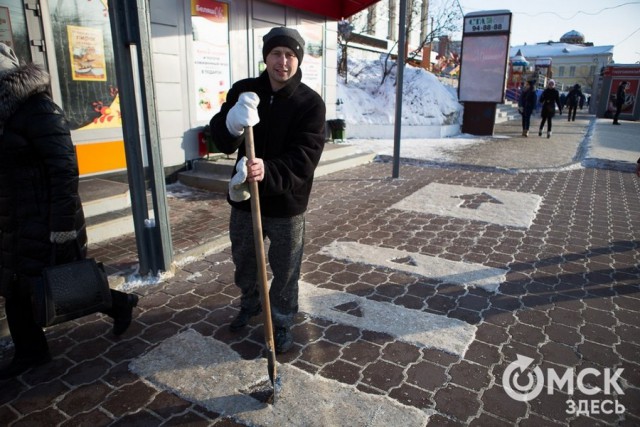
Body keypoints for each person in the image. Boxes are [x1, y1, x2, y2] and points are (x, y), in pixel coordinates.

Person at [0, 43, 139, 379]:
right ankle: (32, 352)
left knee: (58, 282)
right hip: (13, 218)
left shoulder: (39, 109)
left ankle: (117, 304)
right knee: (17, 287)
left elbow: (64, 169)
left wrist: (61, 228)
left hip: (44, 218)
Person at [210, 27, 326, 353]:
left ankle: (282, 321)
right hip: (246, 200)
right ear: (266, 57)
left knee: (286, 270)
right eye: (277, 53)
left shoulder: (310, 104)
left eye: (290, 55)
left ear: (298, 60)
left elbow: (305, 158)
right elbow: (220, 137)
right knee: (245, 261)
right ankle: (250, 303)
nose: (283, 61)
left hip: (287, 204)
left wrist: (268, 170)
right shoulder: (245, 91)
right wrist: (232, 122)